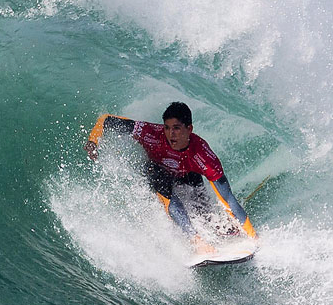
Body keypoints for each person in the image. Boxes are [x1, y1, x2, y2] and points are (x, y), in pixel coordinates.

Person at [84, 102, 256, 251]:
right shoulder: (150, 133)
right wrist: (93, 141)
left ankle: (218, 225)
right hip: (156, 172)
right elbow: (107, 120)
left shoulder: (202, 154)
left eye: (176, 128)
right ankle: (195, 240)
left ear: (189, 129)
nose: (170, 133)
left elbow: (226, 196)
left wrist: (253, 236)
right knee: (158, 176)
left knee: (203, 209)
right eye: (167, 127)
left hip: (186, 174)